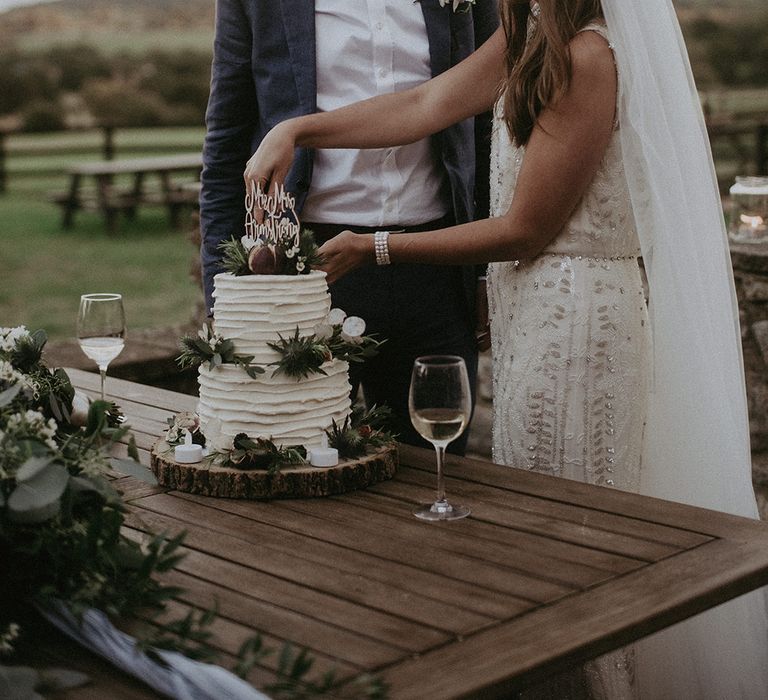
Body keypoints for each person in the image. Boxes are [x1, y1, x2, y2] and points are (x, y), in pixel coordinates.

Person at [245, 0, 768, 697]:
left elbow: (526, 228)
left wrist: (374, 247)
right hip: (534, 315)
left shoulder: (589, 56)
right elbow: (427, 103)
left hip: (582, 325)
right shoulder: (525, 38)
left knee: (577, 534)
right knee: (542, 525)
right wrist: (298, 128)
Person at [199, 0, 499, 454]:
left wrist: (482, 271)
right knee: (294, 459)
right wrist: (221, 294)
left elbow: (485, 127)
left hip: (436, 268)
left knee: (437, 463)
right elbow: (227, 143)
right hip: (309, 272)